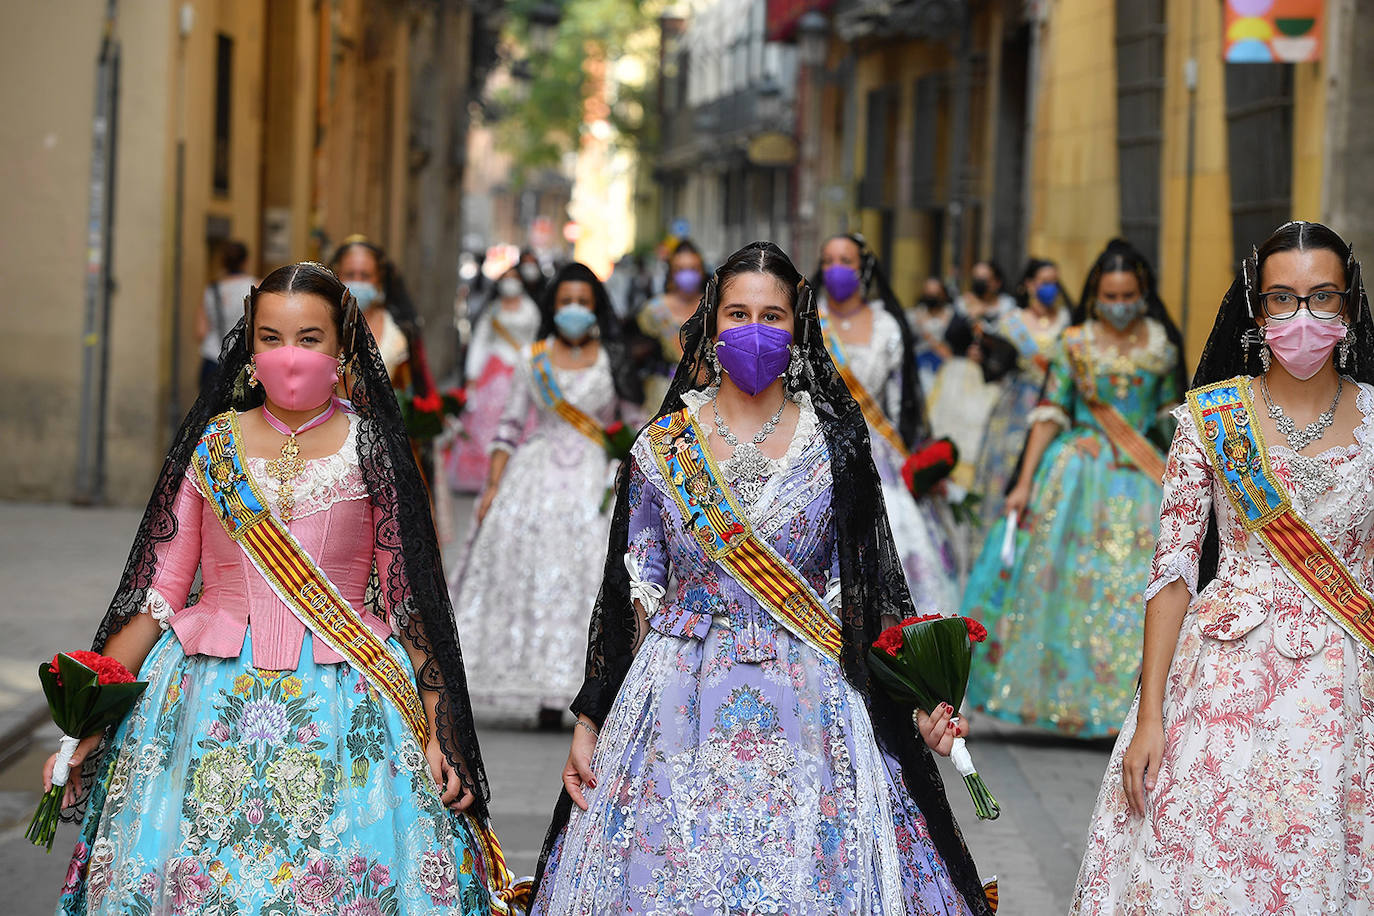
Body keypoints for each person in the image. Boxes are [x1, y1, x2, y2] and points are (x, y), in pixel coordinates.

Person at [530, 242, 994, 915]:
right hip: (675, 696)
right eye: (738, 314)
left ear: (798, 328)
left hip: (810, 702)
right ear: (711, 326)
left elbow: (863, 591)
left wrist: (919, 704)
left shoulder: (835, 444)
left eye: (772, 317)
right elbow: (633, 591)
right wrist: (592, 719)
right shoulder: (664, 447)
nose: (754, 330)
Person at [48, 262, 521, 915]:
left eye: (309, 338)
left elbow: (408, 600)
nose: (288, 356)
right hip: (201, 699)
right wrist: (89, 714)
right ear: (249, 347)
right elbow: (159, 593)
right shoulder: (214, 445)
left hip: (348, 696)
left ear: (342, 349)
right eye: (270, 338)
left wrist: (442, 730)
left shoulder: (372, 447)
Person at [1072, 222, 1374, 912]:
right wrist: (1150, 717)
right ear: (1255, 308)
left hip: (1349, 685)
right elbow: (1173, 571)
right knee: (1210, 867)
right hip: (1223, 682)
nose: (1302, 317)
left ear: (1349, 307)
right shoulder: (1211, 418)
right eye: (1282, 299)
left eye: (1322, 297)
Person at [962, 239, 1185, 737]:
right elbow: (1049, 414)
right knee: (1070, 588)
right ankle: (1073, 703)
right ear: (1094, 294)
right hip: (1078, 473)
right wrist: (1023, 485)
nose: (1120, 303)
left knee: (1139, 588)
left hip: (1142, 477)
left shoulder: (1161, 345)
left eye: (1129, 293)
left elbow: (1173, 418)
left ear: (1143, 292)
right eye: (1110, 293)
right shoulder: (1076, 343)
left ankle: (1128, 709)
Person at [449, 263, 643, 727]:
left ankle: (587, 688)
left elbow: (636, 424)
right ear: (551, 307)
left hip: (595, 476)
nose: (574, 310)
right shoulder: (532, 358)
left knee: (591, 575)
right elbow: (510, 424)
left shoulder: (612, 359)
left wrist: (628, 470)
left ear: (595, 306)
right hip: (534, 475)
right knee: (528, 571)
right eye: (565, 302)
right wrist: (493, 484)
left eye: (583, 301)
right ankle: (541, 686)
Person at [816, 233, 961, 611]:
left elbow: (899, 406)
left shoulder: (886, 326)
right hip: (814, 443)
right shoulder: (808, 321)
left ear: (862, 267)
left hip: (877, 452)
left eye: (845, 261)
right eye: (828, 260)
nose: (835, 269)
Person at [970, 258, 1073, 528]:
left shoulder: (1068, 322)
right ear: (1029, 285)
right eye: (1044, 282)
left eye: (1054, 282)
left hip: (1057, 408)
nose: (1050, 288)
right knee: (1006, 467)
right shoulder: (1011, 323)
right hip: (1017, 408)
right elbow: (995, 363)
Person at [447, 264, 542, 492]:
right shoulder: (493, 310)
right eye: (506, 277)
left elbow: (536, 339)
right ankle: (486, 474)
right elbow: (480, 341)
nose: (510, 282)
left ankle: (517, 473)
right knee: (487, 418)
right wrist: (472, 374)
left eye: (514, 277)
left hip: (521, 367)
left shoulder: (530, 309)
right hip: (494, 369)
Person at [927, 260, 1015, 488]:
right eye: (975, 277)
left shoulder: (1008, 310)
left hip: (991, 382)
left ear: (996, 282)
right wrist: (968, 316)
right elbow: (951, 336)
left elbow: (1010, 349)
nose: (979, 283)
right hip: (960, 379)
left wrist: (986, 349)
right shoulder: (963, 305)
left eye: (984, 279)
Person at [627, 238, 707, 412]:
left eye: (693, 269)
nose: (688, 274)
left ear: (702, 271)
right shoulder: (653, 310)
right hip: (661, 393)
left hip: (705, 394)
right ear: (671, 272)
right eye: (681, 269)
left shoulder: (713, 307)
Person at [196, 240, 256, 393]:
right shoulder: (256, 287)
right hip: (243, 362)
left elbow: (200, 331)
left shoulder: (212, 290)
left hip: (213, 360)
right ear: (246, 261)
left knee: (211, 414)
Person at [910, 276, 957, 389]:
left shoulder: (954, 316)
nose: (932, 297)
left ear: (943, 294)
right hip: (921, 367)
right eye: (928, 293)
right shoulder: (914, 315)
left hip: (947, 369)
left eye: (935, 294)